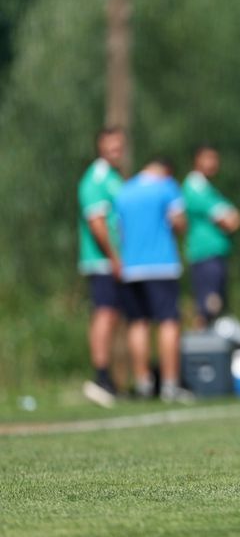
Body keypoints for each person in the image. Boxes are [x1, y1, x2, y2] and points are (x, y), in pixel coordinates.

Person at [114, 158, 192, 403]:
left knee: (138, 323)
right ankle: (169, 385)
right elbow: (180, 222)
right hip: (162, 265)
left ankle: (143, 383)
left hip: (131, 267)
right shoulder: (167, 186)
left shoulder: (124, 191)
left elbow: (118, 229)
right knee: (168, 323)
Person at [77, 127, 126, 408]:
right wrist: (114, 257)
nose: (115, 152)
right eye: (110, 147)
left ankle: (111, 378)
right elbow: (97, 224)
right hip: (102, 260)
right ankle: (101, 377)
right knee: (104, 314)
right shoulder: (95, 179)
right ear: (100, 147)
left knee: (113, 315)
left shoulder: (114, 178)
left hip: (114, 260)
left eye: (119, 147)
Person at [182, 145, 240, 329]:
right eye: (207, 158)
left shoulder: (208, 188)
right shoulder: (195, 187)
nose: (212, 163)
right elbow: (229, 221)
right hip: (205, 255)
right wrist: (230, 218)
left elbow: (235, 217)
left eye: (215, 159)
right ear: (196, 160)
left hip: (214, 255)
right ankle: (200, 352)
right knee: (208, 307)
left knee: (215, 308)